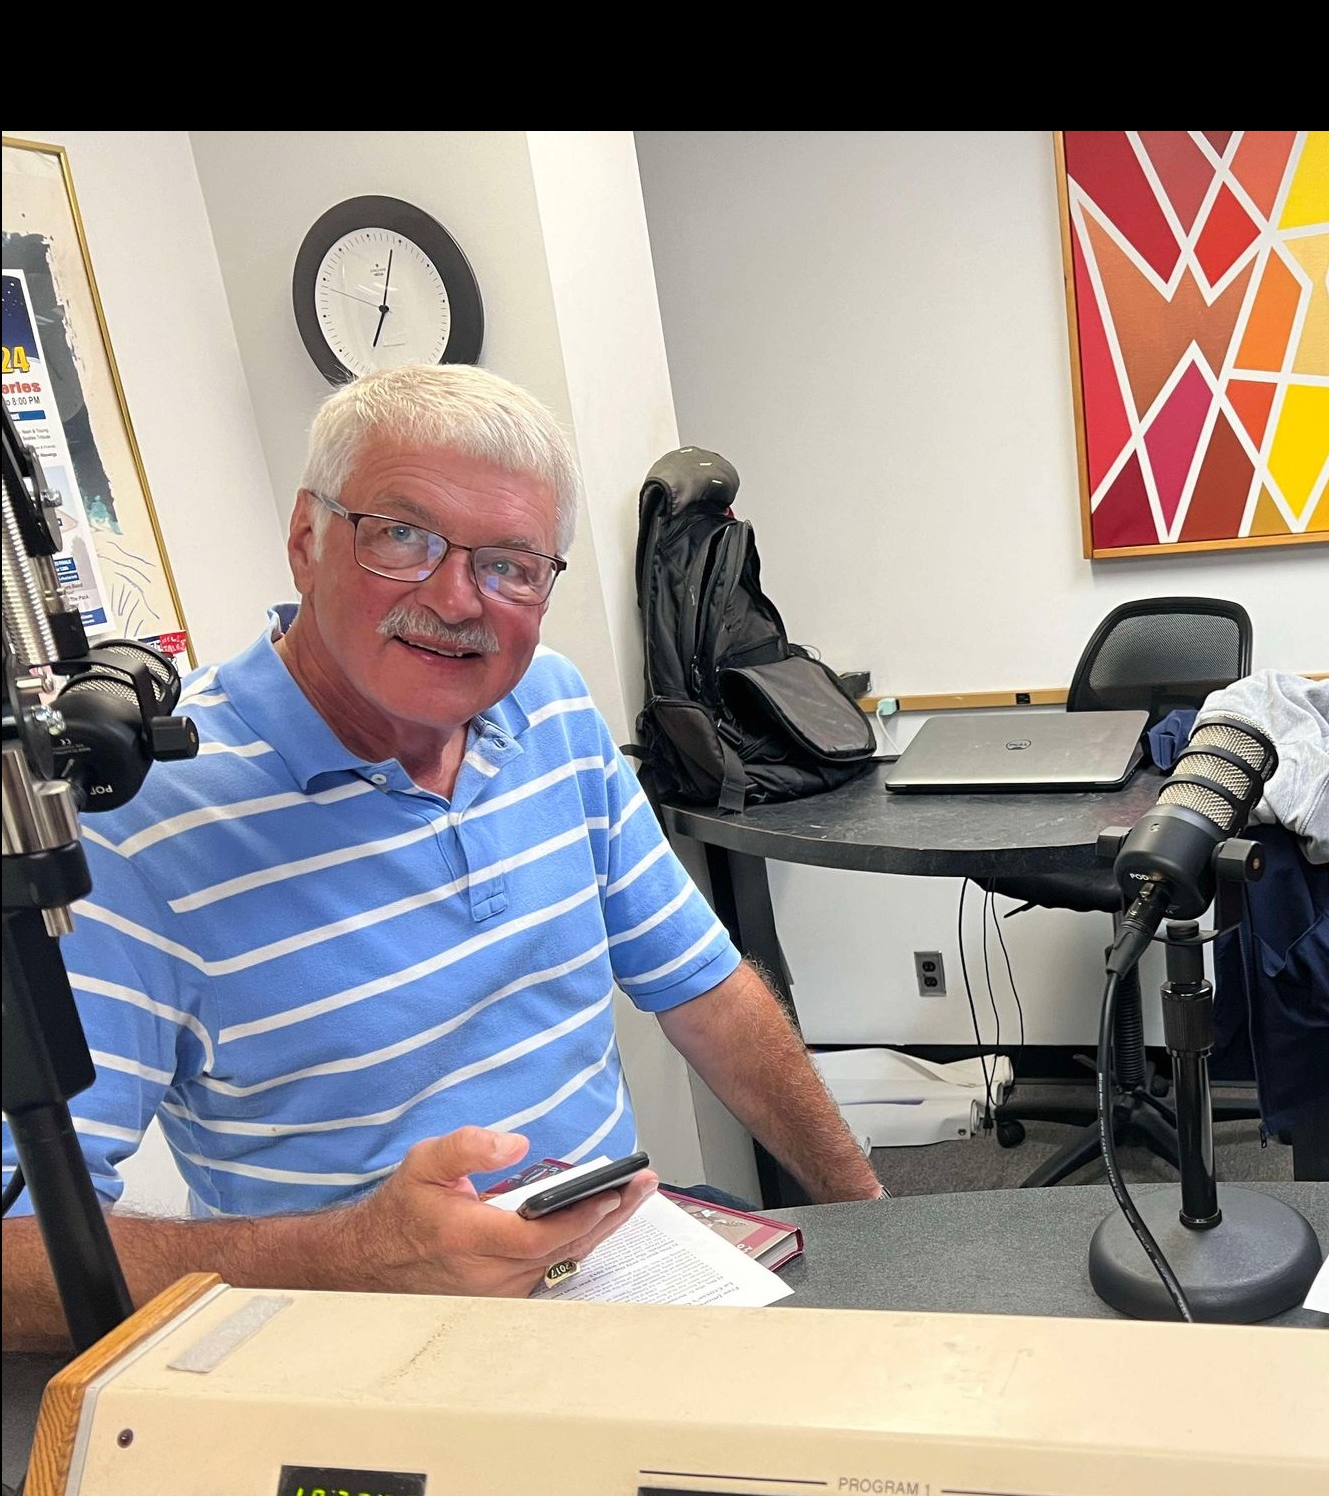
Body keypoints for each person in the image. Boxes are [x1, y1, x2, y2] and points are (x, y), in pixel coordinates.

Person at [2, 366, 879, 1351]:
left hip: (625, 1274)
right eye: (403, 536)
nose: (457, 599)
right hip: (365, 1352)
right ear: (306, 539)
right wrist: (346, 1258)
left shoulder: (547, 705)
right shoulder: (142, 822)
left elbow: (708, 994)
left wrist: (880, 1223)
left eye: (511, 563)